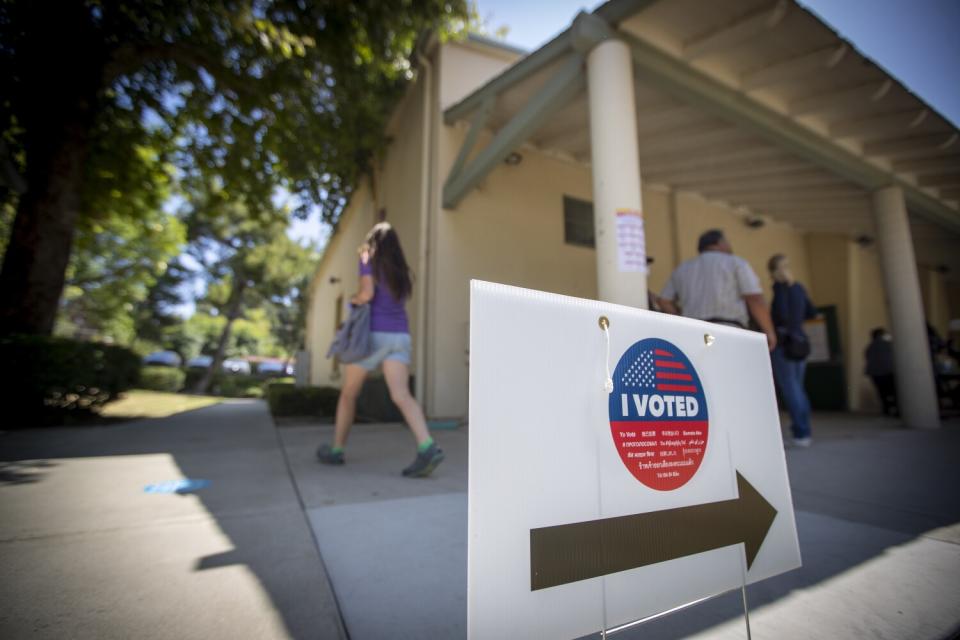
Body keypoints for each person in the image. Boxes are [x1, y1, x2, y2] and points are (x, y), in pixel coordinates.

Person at [316, 222, 444, 477]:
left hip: (372, 336)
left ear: (373, 242)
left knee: (349, 394)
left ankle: (337, 450)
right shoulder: (401, 270)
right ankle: (427, 446)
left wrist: (353, 300)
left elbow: (367, 293)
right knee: (402, 396)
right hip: (400, 336)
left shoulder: (368, 257)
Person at [658, 229, 777, 351]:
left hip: (693, 333)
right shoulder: (735, 263)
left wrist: (681, 318)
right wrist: (769, 332)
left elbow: (663, 300)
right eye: (728, 242)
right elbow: (754, 299)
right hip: (729, 331)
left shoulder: (682, 269)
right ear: (719, 243)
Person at [768, 254, 818, 447]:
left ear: (773, 272)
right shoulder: (799, 287)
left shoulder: (782, 288)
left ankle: (801, 433)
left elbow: (781, 315)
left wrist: (783, 288)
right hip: (800, 342)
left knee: (791, 390)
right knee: (798, 388)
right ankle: (804, 430)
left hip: (784, 345)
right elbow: (811, 312)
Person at [864, 327, 896, 416]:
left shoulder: (870, 346)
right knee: (893, 392)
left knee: (882, 393)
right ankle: (894, 409)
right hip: (888, 372)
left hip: (875, 373)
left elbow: (867, 357)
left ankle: (886, 409)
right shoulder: (889, 344)